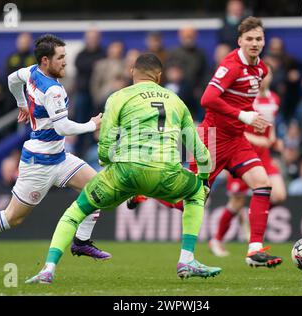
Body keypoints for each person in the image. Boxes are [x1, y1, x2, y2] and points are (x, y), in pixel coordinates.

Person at [25, 53, 221, 284]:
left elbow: (105, 144)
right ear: (159, 76)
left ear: (132, 72)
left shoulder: (118, 97)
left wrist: (108, 167)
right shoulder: (176, 101)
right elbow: (201, 152)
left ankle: (48, 269)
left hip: (123, 172)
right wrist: (205, 181)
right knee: (196, 192)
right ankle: (187, 259)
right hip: (165, 173)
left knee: (75, 212)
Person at [0, 34, 111, 271]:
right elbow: (62, 127)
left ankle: (81, 241)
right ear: (46, 60)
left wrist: (21, 102)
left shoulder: (32, 71)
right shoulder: (52, 90)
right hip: (39, 163)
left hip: (59, 156)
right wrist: (92, 125)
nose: (65, 62)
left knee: (97, 188)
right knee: (13, 217)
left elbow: (13, 79)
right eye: (61, 57)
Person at [129, 17, 282, 268]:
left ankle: (254, 249)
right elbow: (207, 99)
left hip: (236, 140)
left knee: (263, 184)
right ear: (240, 41)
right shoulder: (231, 65)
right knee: (188, 201)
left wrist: (250, 120)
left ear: (263, 41)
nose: (255, 43)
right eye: (250, 39)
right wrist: (244, 116)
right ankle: (145, 190)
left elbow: (241, 101)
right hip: (211, 139)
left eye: (259, 39)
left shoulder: (261, 70)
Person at [209, 69, 287, 257]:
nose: (263, 79)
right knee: (236, 202)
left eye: (267, 75)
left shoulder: (274, 99)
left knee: (279, 195)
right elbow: (236, 127)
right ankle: (217, 240)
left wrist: (275, 139)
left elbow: (271, 124)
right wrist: (255, 139)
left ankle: (250, 217)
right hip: (242, 153)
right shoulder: (245, 98)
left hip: (264, 156)